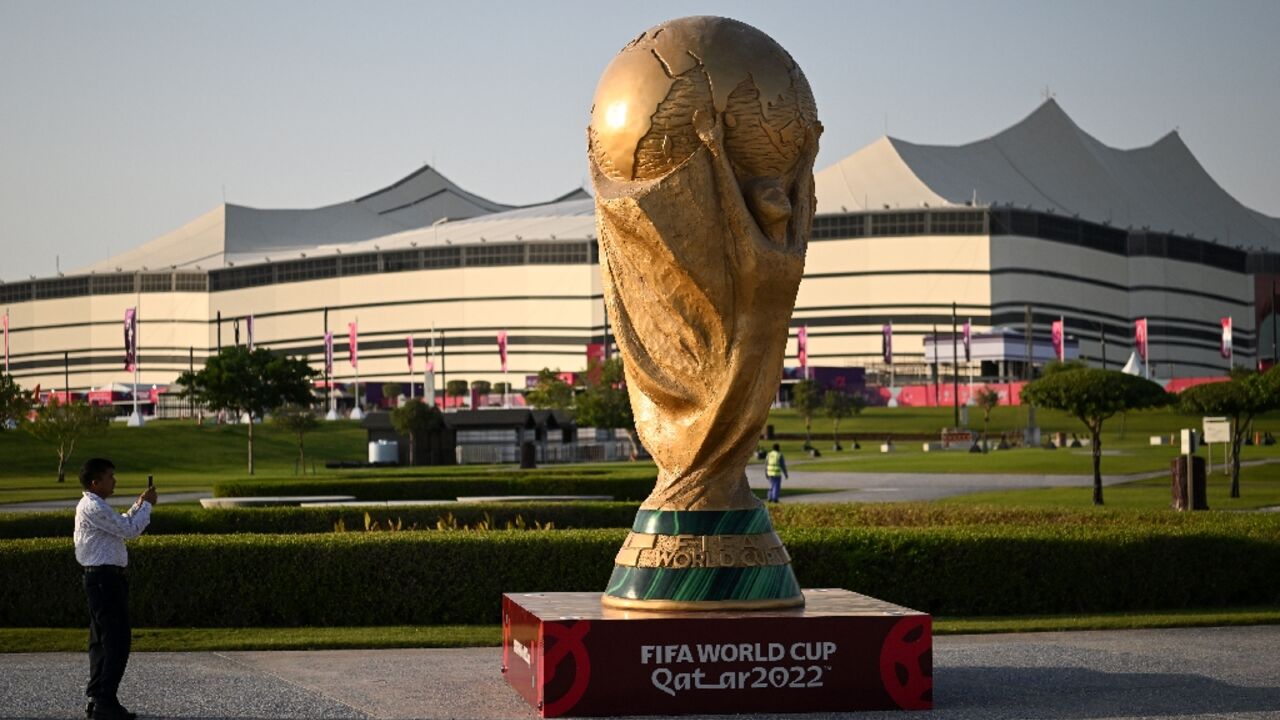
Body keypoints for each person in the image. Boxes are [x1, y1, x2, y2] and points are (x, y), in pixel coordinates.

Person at [74, 458, 156, 720]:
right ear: (95, 482)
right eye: (110, 476)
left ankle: (98, 698)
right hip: (104, 581)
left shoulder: (96, 505)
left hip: (104, 579)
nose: (114, 481)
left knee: (101, 641)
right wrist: (148, 508)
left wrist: (139, 505)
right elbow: (129, 530)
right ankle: (105, 701)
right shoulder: (92, 506)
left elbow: (119, 524)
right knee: (116, 642)